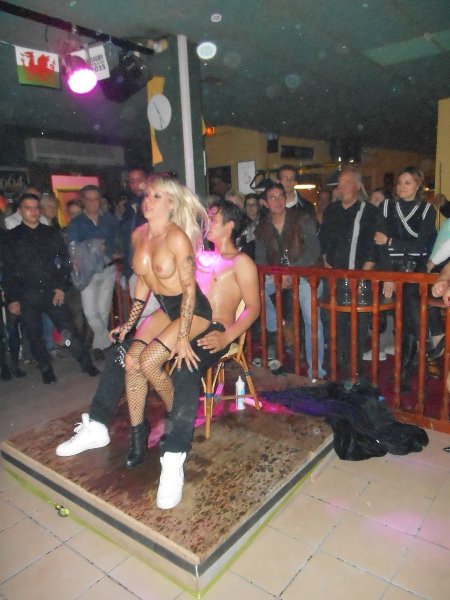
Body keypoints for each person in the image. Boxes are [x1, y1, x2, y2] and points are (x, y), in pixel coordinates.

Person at [56, 198, 260, 510]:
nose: (207, 222)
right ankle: (97, 424)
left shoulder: (242, 262)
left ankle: (174, 455)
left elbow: (253, 308)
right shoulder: (196, 255)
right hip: (179, 320)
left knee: (186, 367)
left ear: (230, 225)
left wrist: (228, 336)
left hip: (214, 330)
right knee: (123, 353)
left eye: (214, 218)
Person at [111, 176, 211, 473]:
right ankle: (138, 433)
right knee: (132, 360)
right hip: (167, 308)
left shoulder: (176, 237)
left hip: (193, 311)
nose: (148, 201)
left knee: (149, 362)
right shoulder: (139, 234)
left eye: (157, 196)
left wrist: (182, 338)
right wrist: (129, 324)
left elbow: (190, 292)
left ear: (171, 204)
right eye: (147, 195)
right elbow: (144, 282)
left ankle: (178, 418)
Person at [3, 194, 99, 383]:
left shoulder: (51, 233)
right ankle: (46, 369)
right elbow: (9, 269)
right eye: (28, 207)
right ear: (20, 210)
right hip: (27, 294)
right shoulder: (12, 237)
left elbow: (64, 262)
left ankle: (86, 363)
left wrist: (61, 287)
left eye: (36, 207)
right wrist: (12, 299)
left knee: (68, 330)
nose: (33, 211)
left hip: (52, 292)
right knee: (35, 335)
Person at [374, 166, 436, 391]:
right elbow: (378, 244)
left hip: (414, 270)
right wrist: (389, 276)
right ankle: (413, 358)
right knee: (396, 320)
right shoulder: (386, 206)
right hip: (390, 269)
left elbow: (421, 247)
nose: (401, 186)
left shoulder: (427, 210)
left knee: (408, 321)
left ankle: (404, 370)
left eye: (407, 182)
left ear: (418, 185)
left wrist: (391, 242)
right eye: (400, 182)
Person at [255, 183, 325, 378]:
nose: (278, 201)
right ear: (265, 203)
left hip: (306, 275)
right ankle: (277, 323)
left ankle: (316, 370)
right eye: (273, 197)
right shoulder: (262, 227)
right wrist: (278, 275)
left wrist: (289, 272)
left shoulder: (302, 218)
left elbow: (314, 250)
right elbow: (260, 260)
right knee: (254, 289)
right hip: (279, 275)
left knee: (312, 321)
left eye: (281, 196)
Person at [319, 167, 380, 379]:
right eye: (340, 184)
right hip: (333, 276)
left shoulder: (369, 211)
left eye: (346, 183)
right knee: (332, 321)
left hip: (359, 276)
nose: (342, 187)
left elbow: (372, 247)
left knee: (357, 324)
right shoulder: (331, 210)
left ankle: (354, 369)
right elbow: (324, 241)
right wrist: (327, 264)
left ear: (358, 186)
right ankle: (336, 365)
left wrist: (362, 276)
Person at [66, 185, 122, 361]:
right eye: (89, 199)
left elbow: (119, 242)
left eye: (96, 199)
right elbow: (72, 248)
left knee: (103, 311)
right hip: (88, 273)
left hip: (108, 270)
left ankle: (98, 346)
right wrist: (94, 247)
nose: (93, 203)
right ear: (83, 201)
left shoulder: (109, 220)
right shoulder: (77, 223)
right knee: (91, 312)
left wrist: (111, 250)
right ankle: (108, 341)